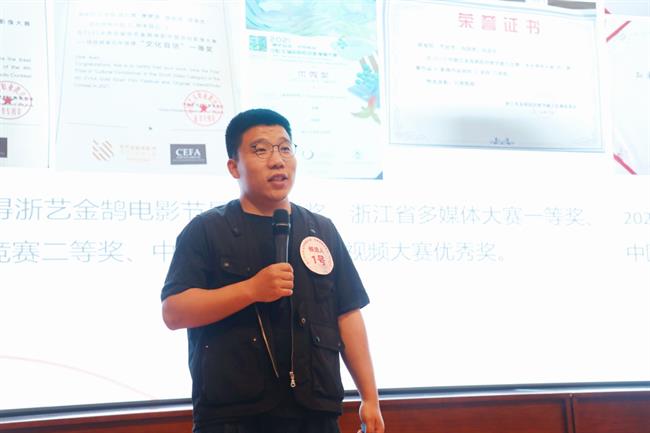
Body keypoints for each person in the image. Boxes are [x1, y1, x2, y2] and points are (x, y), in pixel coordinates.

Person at [161, 108, 384, 433]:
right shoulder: (206, 230)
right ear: (233, 166)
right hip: (234, 416)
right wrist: (251, 289)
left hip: (314, 411)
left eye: (284, 148)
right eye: (260, 150)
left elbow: (347, 314)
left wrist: (370, 397)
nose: (277, 160)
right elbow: (174, 312)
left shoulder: (321, 230)